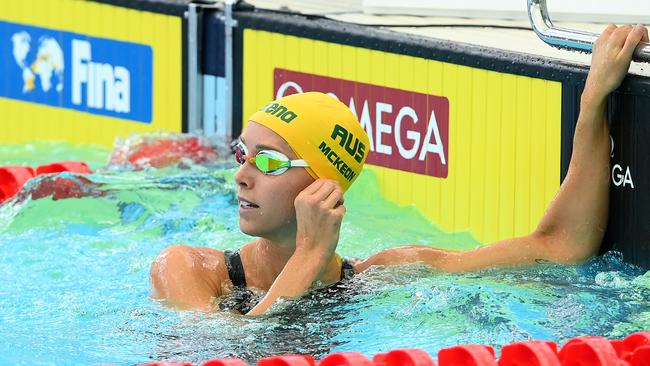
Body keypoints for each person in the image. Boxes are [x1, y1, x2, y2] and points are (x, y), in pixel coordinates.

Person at [149, 24, 649, 316]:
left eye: (270, 162)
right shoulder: (190, 271)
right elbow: (218, 356)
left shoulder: (382, 275)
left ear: (323, 185)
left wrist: (591, 103)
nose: (241, 174)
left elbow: (561, 245)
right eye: (243, 154)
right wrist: (308, 254)